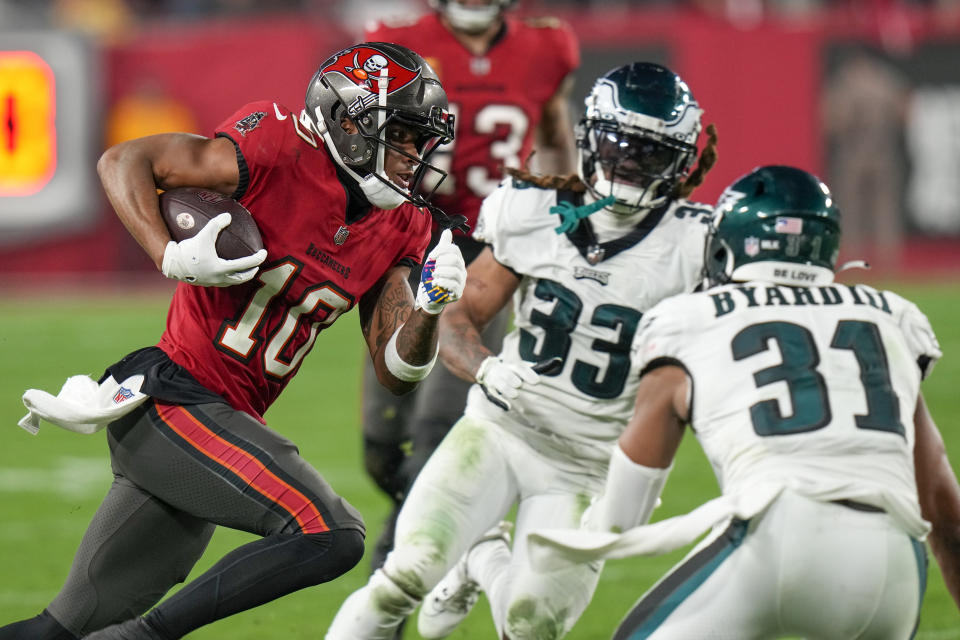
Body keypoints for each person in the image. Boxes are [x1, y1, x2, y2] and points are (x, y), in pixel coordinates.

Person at [0, 42, 467, 640]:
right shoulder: (276, 147)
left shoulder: (404, 222)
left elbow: (396, 370)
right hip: (173, 401)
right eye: (401, 134)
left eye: (421, 139)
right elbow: (122, 161)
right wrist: (166, 253)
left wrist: (429, 309)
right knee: (329, 532)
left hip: (218, 425)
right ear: (349, 121)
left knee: (58, 632)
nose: (415, 155)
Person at [326, 61, 720, 640]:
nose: (630, 164)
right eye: (619, 146)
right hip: (498, 432)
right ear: (588, 139)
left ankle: (482, 558)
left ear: (681, 163)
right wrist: (485, 368)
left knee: (530, 626)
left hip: (588, 465)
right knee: (400, 580)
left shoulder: (696, 244)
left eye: (648, 153)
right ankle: (474, 554)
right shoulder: (533, 211)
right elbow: (461, 316)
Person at [530, 165, 960, 638]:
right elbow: (942, 504)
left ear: (724, 245)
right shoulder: (890, 318)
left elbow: (623, 510)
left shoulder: (688, 319)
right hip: (895, 565)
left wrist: (586, 535)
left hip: (783, 534)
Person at [359, 0, 580, 577]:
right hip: (406, 243)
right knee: (383, 444)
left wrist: (561, 208)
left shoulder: (544, 48)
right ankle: (433, 532)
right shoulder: (394, 39)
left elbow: (555, 134)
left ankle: (395, 572)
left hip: (488, 249)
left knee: (438, 427)